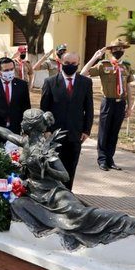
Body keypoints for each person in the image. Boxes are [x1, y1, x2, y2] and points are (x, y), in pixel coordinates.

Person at [0, 110, 135, 251]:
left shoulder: (45, 149)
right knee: (18, 205)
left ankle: (126, 222)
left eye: (23, 121)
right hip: (35, 194)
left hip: (54, 193)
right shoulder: (26, 142)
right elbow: (8, 134)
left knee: (79, 214)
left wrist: (47, 168)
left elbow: (65, 176)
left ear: (30, 126)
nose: (21, 123)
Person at [40, 52, 94, 190]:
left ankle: (68, 193)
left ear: (78, 64)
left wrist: (86, 131)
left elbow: (89, 108)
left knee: (71, 165)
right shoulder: (50, 82)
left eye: (74, 64)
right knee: (54, 166)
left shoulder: (86, 82)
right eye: (67, 63)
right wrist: (45, 130)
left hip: (75, 133)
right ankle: (53, 193)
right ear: (61, 63)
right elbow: (44, 109)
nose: (70, 66)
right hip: (54, 134)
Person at [80, 39, 135, 171]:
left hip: (120, 103)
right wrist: (95, 57)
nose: (118, 51)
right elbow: (83, 73)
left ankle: (110, 159)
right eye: (115, 49)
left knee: (114, 132)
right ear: (111, 50)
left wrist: (130, 106)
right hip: (108, 102)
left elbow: (128, 87)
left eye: (121, 48)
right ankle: (102, 160)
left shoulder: (126, 66)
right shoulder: (103, 65)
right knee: (104, 131)